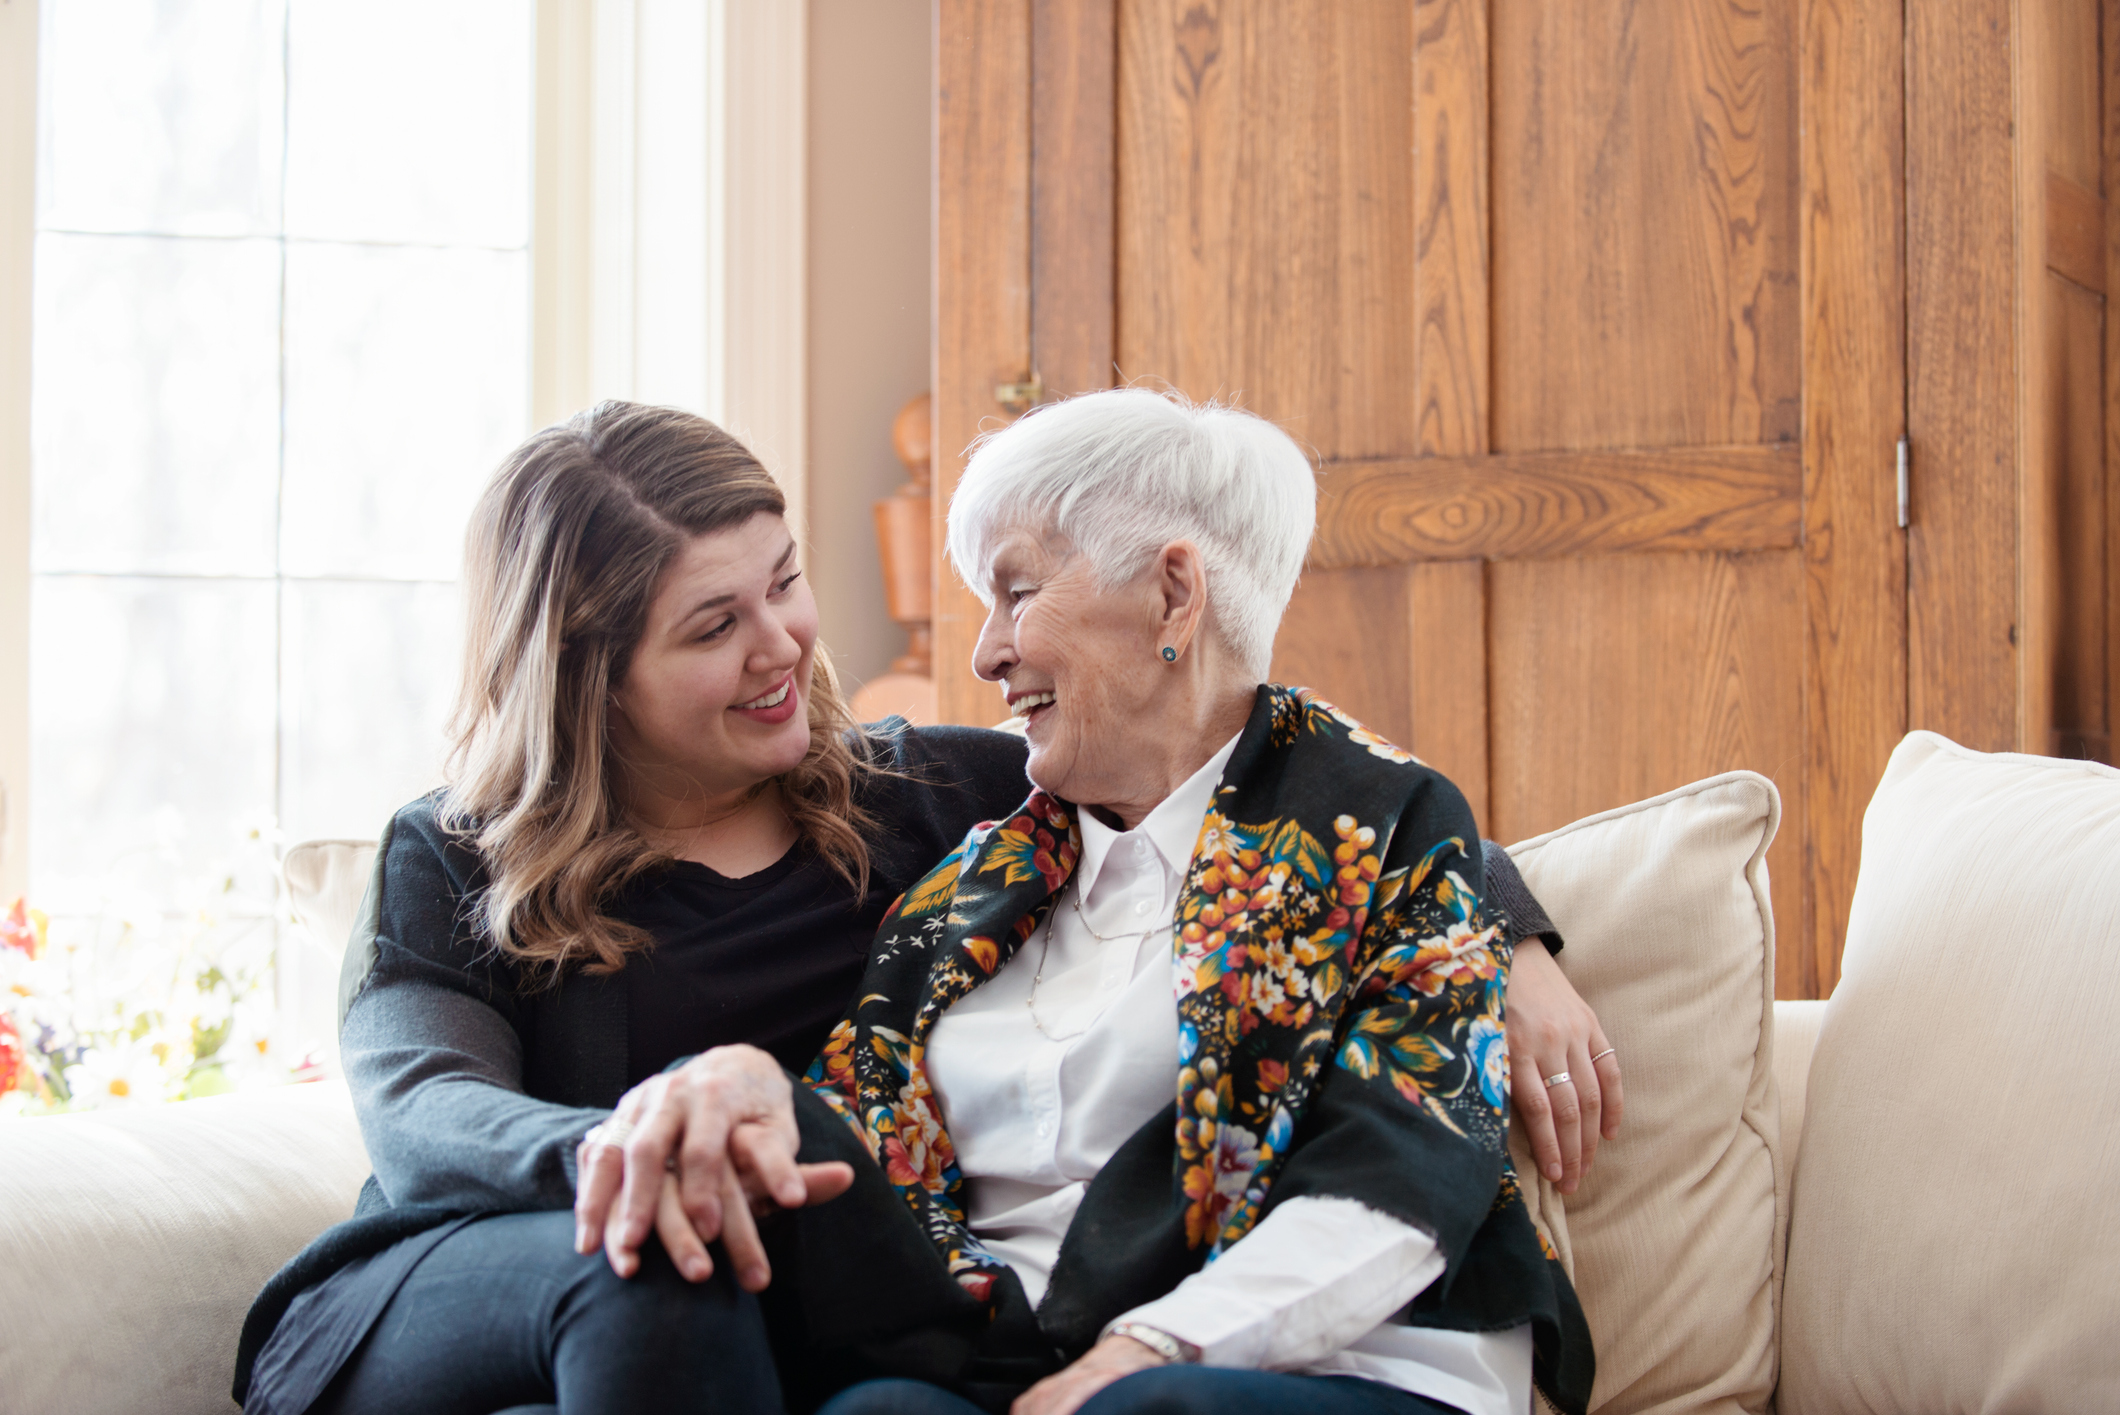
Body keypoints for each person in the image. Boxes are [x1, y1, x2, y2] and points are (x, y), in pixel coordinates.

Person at [234, 397, 1611, 1415]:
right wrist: (658, 1145)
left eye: (783, 583)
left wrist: (1508, 929)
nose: (781, 645)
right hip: (469, 1268)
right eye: (714, 627)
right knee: (664, 1250)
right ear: (589, 675)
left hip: (755, 1314)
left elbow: (1240, 753)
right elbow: (424, 1118)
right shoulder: (457, 848)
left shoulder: (920, 799)